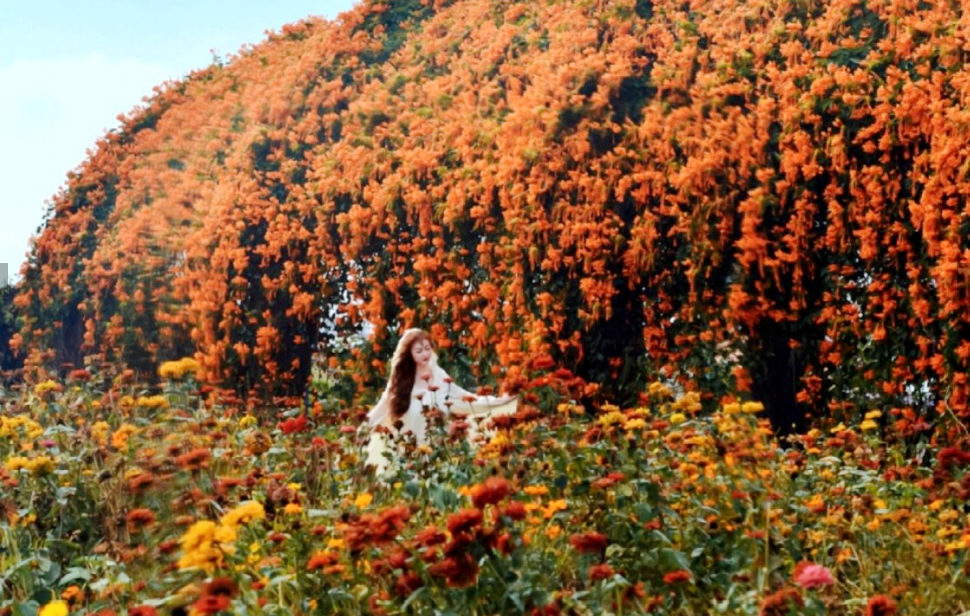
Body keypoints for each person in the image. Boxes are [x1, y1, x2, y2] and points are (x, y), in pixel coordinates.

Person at [363, 328, 518, 474]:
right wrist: (363, 428)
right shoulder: (401, 380)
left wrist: (500, 401)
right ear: (409, 354)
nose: (425, 354)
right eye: (419, 351)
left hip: (436, 450)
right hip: (406, 450)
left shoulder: (439, 376)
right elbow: (382, 407)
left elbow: (465, 397)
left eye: (427, 348)